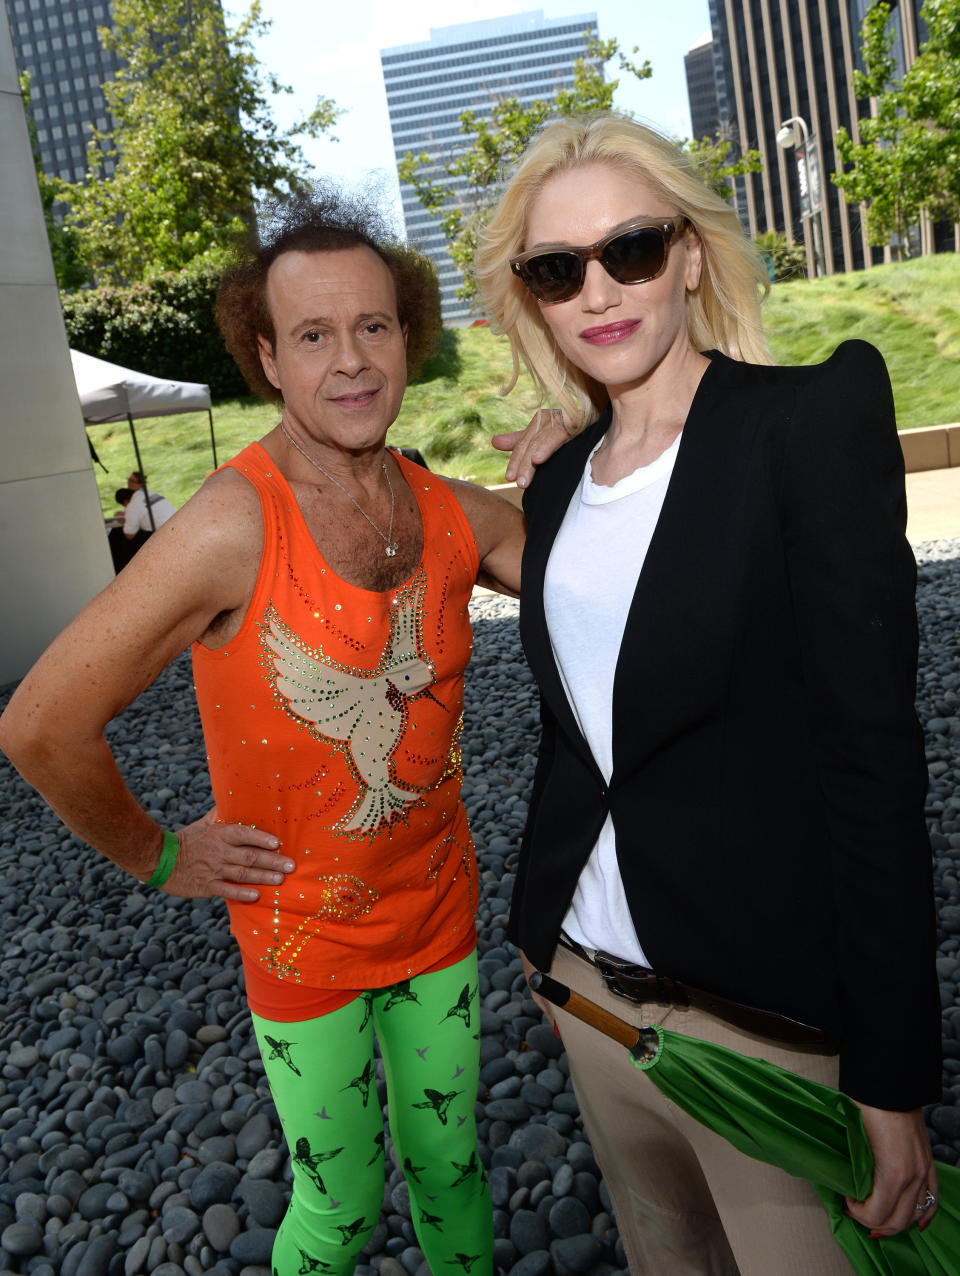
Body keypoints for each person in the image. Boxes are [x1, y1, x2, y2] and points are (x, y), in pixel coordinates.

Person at [0, 189, 526, 1276]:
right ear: (267, 356)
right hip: (305, 951)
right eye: (314, 334)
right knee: (337, 1213)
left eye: (374, 326)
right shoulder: (232, 528)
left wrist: (583, 446)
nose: (351, 360)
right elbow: (41, 723)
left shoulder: (446, 510)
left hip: (439, 920)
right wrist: (158, 852)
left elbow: (606, 579)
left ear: (409, 338)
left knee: (452, 1170)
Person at [474, 112, 941, 1275]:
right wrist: (542, 951)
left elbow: (873, 763)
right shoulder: (562, 474)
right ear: (531, 296)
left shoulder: (804, 425)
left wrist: (891, 1073)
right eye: (557, 268)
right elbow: (582, 732)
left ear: (689, 252)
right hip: (587, 1004)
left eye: (631, 248)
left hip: (766, 1031)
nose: (600, 289)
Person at [122, 470, 178, 536]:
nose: (128, 483)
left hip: (164, 534)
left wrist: (125, 520)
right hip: (177, 523)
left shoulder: (133, 504)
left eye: (131, 481)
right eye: (128, 479)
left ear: (140, 484)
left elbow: (129, 534)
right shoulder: (155, 494)